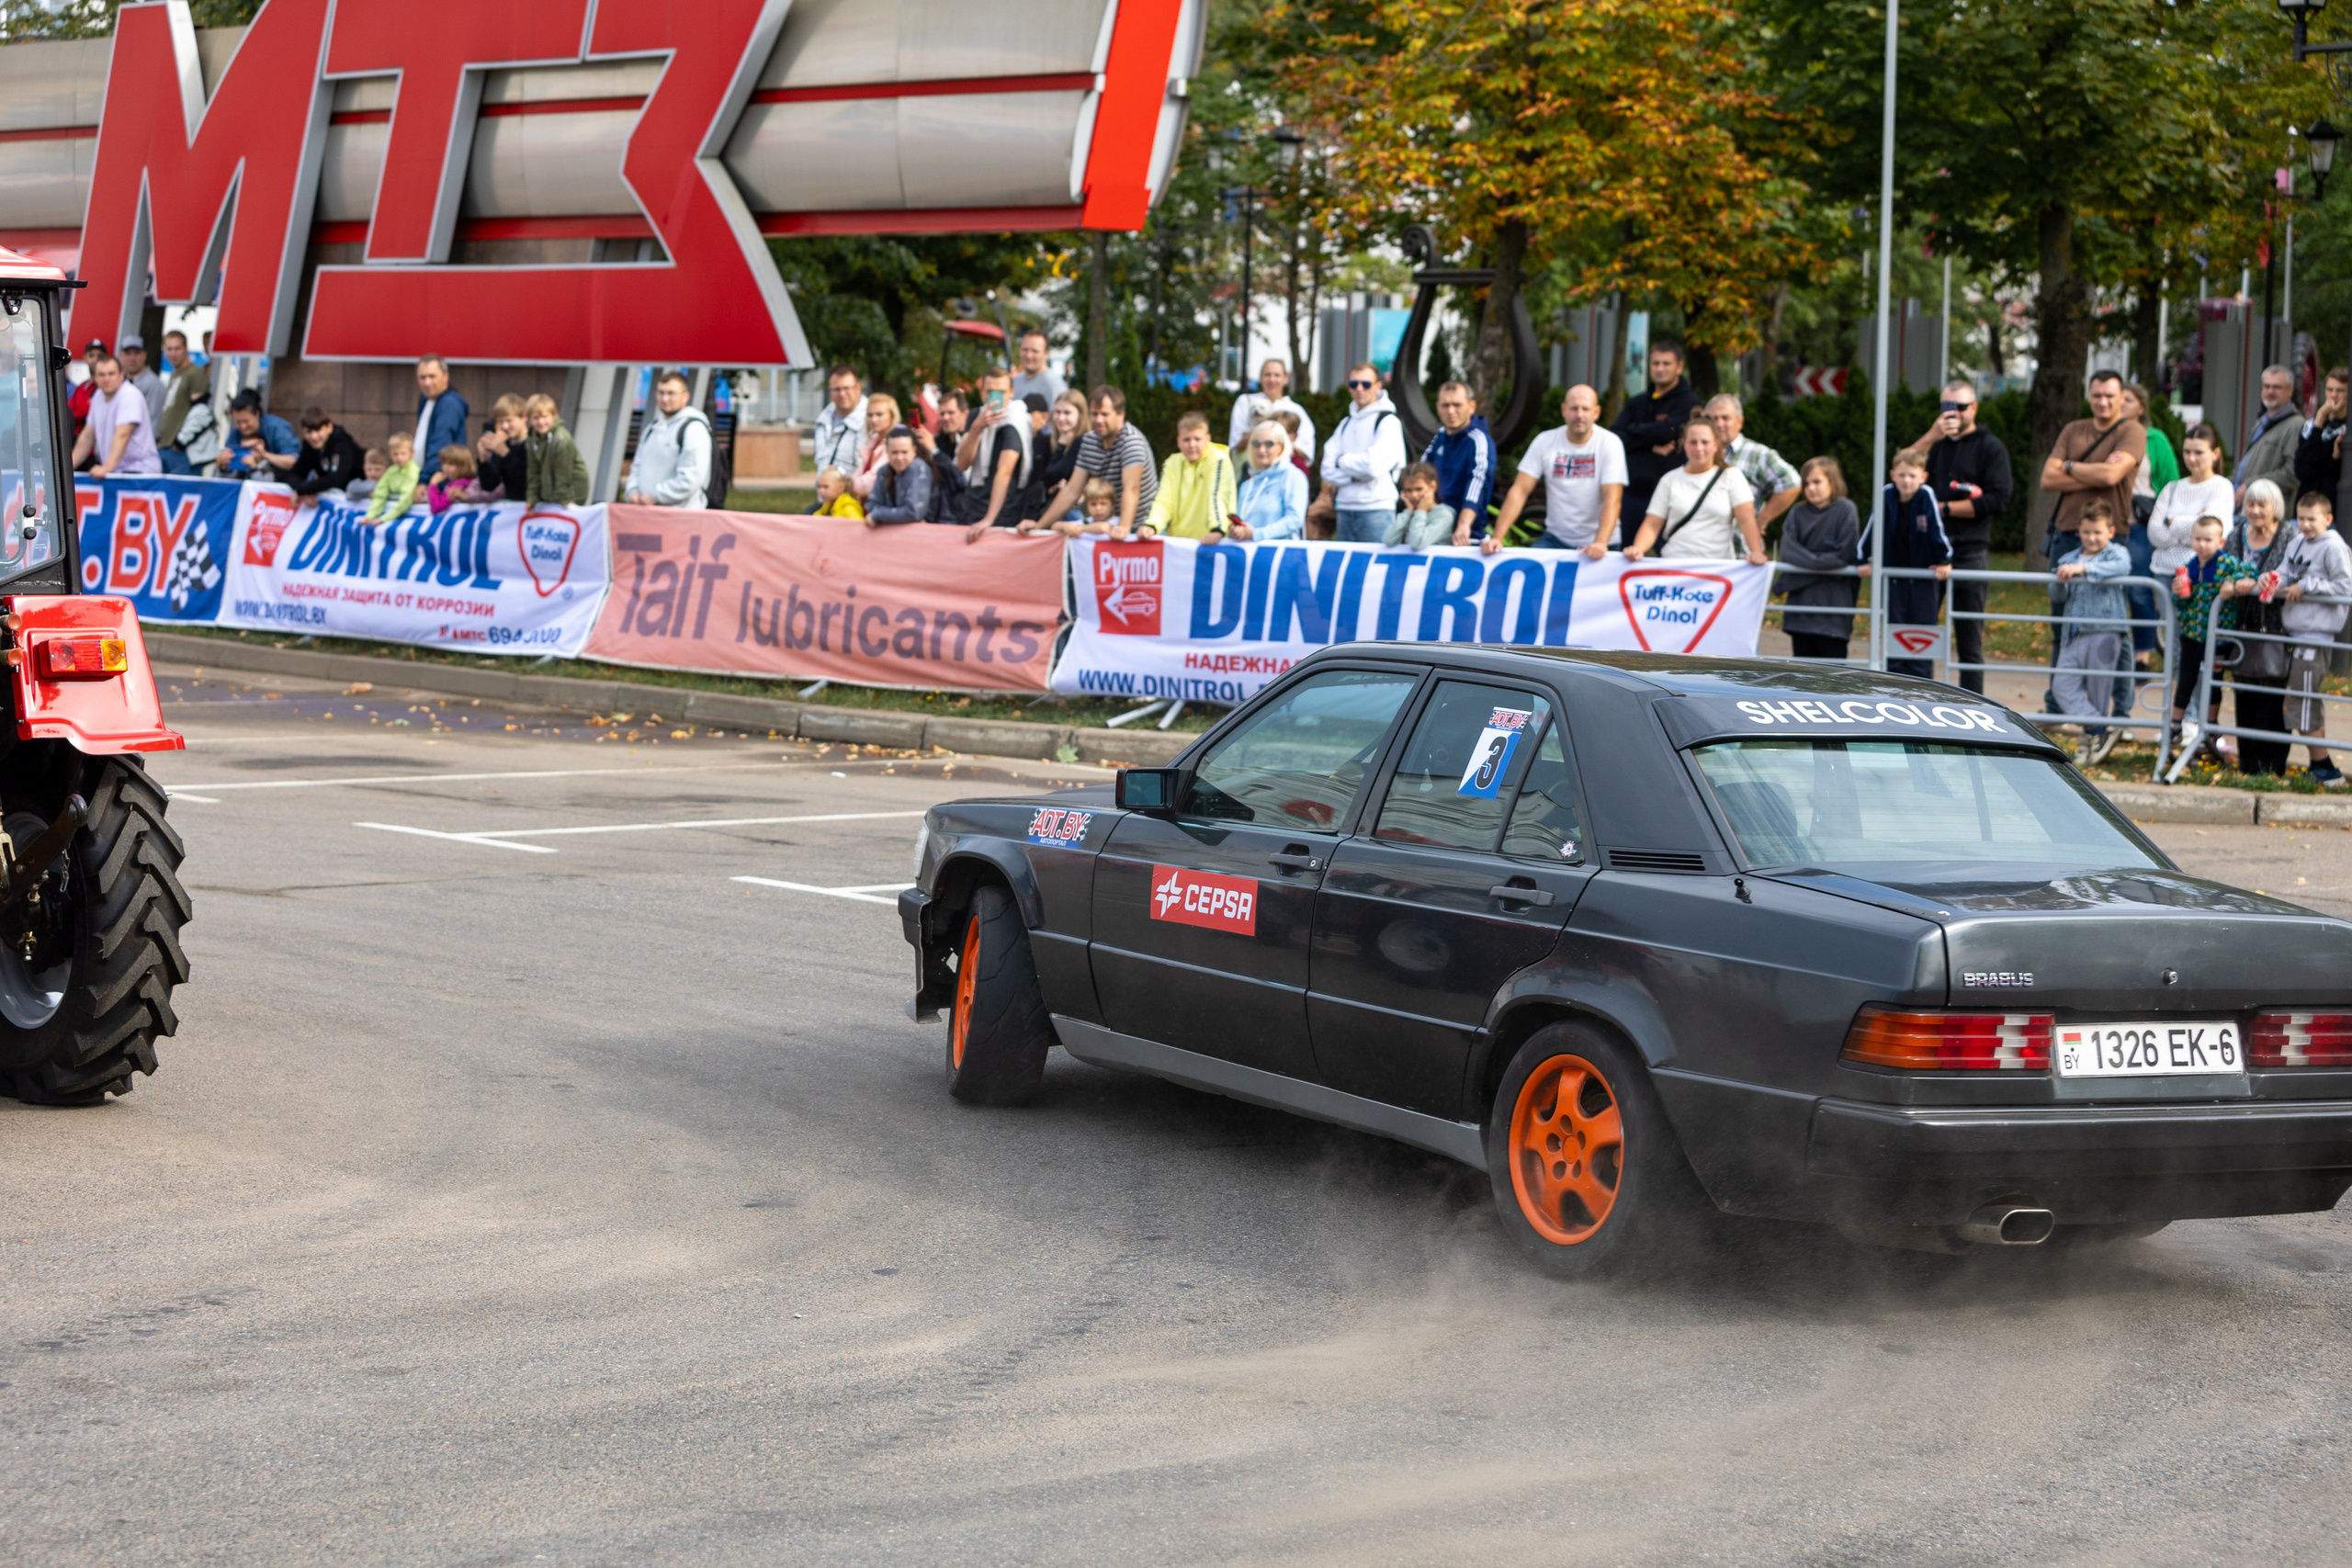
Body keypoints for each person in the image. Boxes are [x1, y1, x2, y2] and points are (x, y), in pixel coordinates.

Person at [1908, 377, 2015, 694]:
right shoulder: (1935, 443)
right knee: (1919, 633)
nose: (1952, 414)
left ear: (1975, 408)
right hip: (1929, 550)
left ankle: (1974, 707)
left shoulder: (1990, 447)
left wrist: (1945, 509)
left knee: (1969, 637)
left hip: (1969, 550)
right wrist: (1932, 435)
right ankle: (1916, 698)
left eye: (1960, 407)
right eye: (1946, 407)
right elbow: (1903, 468)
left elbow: (1998, 499)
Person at [1487, 384, 1625, 559]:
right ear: (1564, 410)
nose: (1579, 415)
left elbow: (1612, 499)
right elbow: (1519, 491)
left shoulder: (1610, 443)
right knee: (1529, 573)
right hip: (1556, 539)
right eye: (1574, 408)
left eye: (1586, 409)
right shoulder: (1545, 441)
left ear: (1596, 412)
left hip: (1603, 542)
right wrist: (1497, 537)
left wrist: (1600, 543)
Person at [2040, 369, 2145, 579]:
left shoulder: (2132, 431)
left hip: (2110, 535)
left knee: (2105, 607)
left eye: (2109, 396)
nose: (2103, 401)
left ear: (2121, 397)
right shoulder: (2072, 430)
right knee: (2061, 604)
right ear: (2088, 397)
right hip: (2067, 531)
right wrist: (2099, 474)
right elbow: (2048, 479)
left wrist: (2070, 466)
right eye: (2097, 395)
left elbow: (2110, 477)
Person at [2222, 480, 2296, 773]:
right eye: (2250, 504)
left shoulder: (2290, 535)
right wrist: (2227, 584)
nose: (2254, 510)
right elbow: (2223, 569)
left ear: (2275, 507)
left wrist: (2261, 582)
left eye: (2262, 504)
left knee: (2272, 697)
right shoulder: (2235, 536)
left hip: (2276, 627)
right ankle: (2248, 764)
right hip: (2241, 625)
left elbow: (2296, 572)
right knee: (2244, 693)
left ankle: (2273, 766)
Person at [1860, 449, 1953, 681]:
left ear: (1923, 477)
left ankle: (1922, 690)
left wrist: (1944, 560)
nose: (1906, 481)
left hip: (1923, 581)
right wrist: (1863, 558)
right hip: (1894, 580)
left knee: (1922, 635)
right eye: (1901, 475)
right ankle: (1895, 686)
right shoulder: (1886, 495)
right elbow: (1872, 528)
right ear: (1892, 475)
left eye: (1912, 475)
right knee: (1896, 633)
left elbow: (1936, 529)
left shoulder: (1927, 496)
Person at [2279, 490, 2352, 785]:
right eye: (2301, 518)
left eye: (2312, 519)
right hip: (2292, 631)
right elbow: (2286, 573)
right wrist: (2270, 580)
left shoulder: (2334, 547)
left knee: (2305, 701)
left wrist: (2307, 585)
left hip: (2316, 635)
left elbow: (2345, 588)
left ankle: (2326, 770)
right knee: (2296, 699)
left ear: (2328, 519)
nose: (2305, 525)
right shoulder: (2296, 541)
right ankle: (2318, 765)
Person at [1623, 417, 1765, 565]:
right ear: (1684, 444)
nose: (1699, 448)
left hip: (1718, 568)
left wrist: (1756, 553)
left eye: (1705, 442)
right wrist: (1638, 549)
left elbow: (1747, 520)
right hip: (1675, 564)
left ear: (1716, 445)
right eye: (1693, 442)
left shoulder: (1732, 476)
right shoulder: (1669, 479)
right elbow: (1652, 523)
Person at [2168, 515, 2251, 751]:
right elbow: (2182, 604)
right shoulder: (2190, 566)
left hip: (2218, 637)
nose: (2201, 545)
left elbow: (2251, 572)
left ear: (2221, 541)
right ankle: (2175, 724)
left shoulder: (2227, 564)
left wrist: (2232, 583)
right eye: (2197, 539)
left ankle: (2211, 728)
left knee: (2213, 682)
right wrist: (2178, 594)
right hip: (2192, 635)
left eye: (2207, 539)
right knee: (2186, 678)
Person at [2051, 501, 2132, 730]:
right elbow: (2056, 596)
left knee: (2099, 690)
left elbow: (2123, 566)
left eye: (2098, 532)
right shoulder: (2068, 557)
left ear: (2111, 532)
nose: (2091, 537)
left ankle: (2095, 738)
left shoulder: (2116, 553)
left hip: (2103, 630)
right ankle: (2097, 728)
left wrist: (2084, 569)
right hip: (2073, 633)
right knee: (2062, 685)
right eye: (2086, 532)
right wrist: (2059, 579)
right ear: (2078, 531)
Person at [1035, 386, 1154, 536]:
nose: (1098, 420)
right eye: (1094, 414)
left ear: (1120, 415)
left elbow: (1132, 488)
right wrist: (1039, 526)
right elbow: (1072, 490)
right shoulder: (1089, 441)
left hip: (1139, 527)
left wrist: (1124, 528)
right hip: (1106, 526)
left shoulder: (1131, 441)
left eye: (1104, 414)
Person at [1776, 457, 1861, 661]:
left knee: (1834, 680)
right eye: (1806, 483)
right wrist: (1822, 564)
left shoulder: (1846, 509)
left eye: (1817, 482)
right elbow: (1788, 550)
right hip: (1800, 613)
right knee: (1802, 678)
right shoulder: (1797, 512)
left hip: (1833, 613)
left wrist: (1803, 568)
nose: (1811, 488)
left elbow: (1843, 555)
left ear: (1832, 481)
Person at [1611, 338, 1702, 528]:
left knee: (1668, 554)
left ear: (1679, 367)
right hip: (1632, 494)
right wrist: (1651, 443)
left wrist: (1634, 432)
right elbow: (1615, 438)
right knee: (1626, 554)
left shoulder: (1689, 403)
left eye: (1666, 363)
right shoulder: (1637, 402)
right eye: (1655, 363)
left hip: (1671, 495)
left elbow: (1665, 431)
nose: (1660, 368)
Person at [1321, 363, 1408, 543]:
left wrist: (1341, 461)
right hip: (1344, 508)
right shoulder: (1345, 423)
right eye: (1354, 384)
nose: (1359, 389)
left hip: (1377, 509)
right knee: (1347, 571)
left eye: (1366, 384)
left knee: (1378, 569)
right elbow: (1326, 469)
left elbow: (1371, 467)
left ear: (1378, 386)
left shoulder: (1388, 421)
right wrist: (1354, 476)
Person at [951, 368, 1034, 539]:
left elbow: (1005, 471)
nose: (995, 397)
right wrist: (976, 428)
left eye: (1001, 392)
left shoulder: (1014, 420)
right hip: (973, 505)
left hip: (1003, 511)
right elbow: (962, 464)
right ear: (982, 393)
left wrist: (989, 518)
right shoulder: (976, 416)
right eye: (990, 392)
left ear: (1011, 392)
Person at [2148, 424, 2233, 584]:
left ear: (2215, 454)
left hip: (2201, 573)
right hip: (2164, 571)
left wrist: (2172, 521)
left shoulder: (2221, 486)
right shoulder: (2172, 488)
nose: (2191, 458)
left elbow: (2214, 532)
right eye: (2187, 452)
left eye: (2198, 452)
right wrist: (2192, 525)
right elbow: (2154, 533)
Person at [1704, 394, 1801, 531]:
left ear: (1740, 422)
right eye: (1714, 418)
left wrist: (1763, 518)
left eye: (1725, 418)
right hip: (1703, 544)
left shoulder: (1757, 454)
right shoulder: (1698, 453)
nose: (1719, 424)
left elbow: (1792, 482)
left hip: (1742, 545)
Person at [1143, 411, 1238, 539]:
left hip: (1212, 541)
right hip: (1179, 542)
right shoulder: (1172, 462)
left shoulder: (1219, 460)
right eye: (1186, 439)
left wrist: (1218, 529)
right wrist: (1152, 525)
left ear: (1207, 439)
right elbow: (1164, 500)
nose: (1192, 445)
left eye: (1197, 439)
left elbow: (1218, 496)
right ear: (1178, 441)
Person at [625, 371, 713, 508]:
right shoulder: (652, 428)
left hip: (681, 518)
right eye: (661, 392)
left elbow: (691, 478)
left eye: (671, 393)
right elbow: (637, 467)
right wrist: (633, 491)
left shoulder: (694, 429)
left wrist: (656, 496)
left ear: (685, 396)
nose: (665, 399)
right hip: (646, 514)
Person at [1424, 381, 1497, 543]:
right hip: (1435, 529)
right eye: (1445, 405)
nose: (1451, 411)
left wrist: (1464, 524)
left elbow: (1477, 484)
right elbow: (1422, 473)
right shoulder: (1440, 435)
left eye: (1457, 405)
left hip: (1465, 536)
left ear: (1471, 406)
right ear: (1437, 407)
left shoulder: (1479, 440)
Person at [71, 355, 160, 478]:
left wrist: (106, 468)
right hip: (117, 472)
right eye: (101, 374)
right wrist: (66, 469)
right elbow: (87, 437)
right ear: (95, 377)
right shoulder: (98, 396)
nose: (106, 379)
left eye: (111, 374)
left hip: (140, 471)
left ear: (121, 374)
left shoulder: (129, 395)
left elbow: (123, 435)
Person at [1227, 358, 1317, 464]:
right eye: (1267, 375)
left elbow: (1305, 450)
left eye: (1277, 375)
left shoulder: (1296, 410)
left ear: (1286, 378)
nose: (1272, 380)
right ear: (1260, 378)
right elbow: (1236, 443)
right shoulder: (1245, 402)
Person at [2235, 364, 2301, 506]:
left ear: (2290, 390)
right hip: (2246, 505)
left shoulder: (2296, 425)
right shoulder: (2260, 423)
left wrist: (2250, 484)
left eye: (2277, 387)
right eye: (2266, 386)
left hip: (2269, 511)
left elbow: (2292, 474)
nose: (2270, 391)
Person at [1017, 389, 1087, 523]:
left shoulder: (1082, 441)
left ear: (1080, 415)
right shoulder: (1046, 441)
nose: (1061, 418)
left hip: (1074, 513)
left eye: (1067, 413)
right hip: (1047, 510)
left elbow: (1053, 474)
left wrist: (1060, 447)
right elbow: (1043, 478)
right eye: (1057, 412)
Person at [1231, 421, 1307, 541]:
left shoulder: (1292, 475)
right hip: (1247, 555)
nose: (1261, 450)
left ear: (1281, 447)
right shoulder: (1247, 483)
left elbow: (1295, 520)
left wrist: (1256, 534)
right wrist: (1236, 530)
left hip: (1281, 555)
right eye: (1256, 443)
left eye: (1269, 444)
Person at [153, 331, 210, 475]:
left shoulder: (194, 372)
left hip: (182, 451)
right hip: (166, 446)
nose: (173, 353)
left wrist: (180, 442)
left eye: (177, 348)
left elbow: (201, 411)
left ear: (186, 348)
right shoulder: (174, 373)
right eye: (169, 349)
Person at [522, 393, 590, 506]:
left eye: (545, 416)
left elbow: (563, 474)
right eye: (536, 418)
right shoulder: (532, 440)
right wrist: (532, 498)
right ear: (529, 419)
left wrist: (566, 501)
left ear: (554, 415)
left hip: (572, 494)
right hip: (552, 495)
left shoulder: (560, 439)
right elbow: (533, 472)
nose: (541, 422)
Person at [2296, 367, 2350, 504]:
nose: (2333, 395)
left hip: (2336, 505)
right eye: (2330, 389)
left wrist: (2331, 459)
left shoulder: (2348, 429)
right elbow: (2302, 469)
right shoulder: (2311, 425)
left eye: (2340, 390)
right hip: (2307, 502)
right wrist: (2320, 417)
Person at [216, 390, 297, 481]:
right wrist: (222, 464)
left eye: (246, 421)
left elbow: (293, 461)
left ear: (257, 414)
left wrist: (264, 455)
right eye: (238, 422)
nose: (243, 426)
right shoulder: (236, 431)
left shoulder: (277, 428)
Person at [412, 355, 469, 480]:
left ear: (445, 376)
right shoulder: (426, 399)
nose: (427, 382)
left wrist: (425, 479)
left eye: (432, 376)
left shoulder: (449, 403)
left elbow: (440, 445)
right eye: (422, 377)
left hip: (441, 483)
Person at [863, 427, 934, 525]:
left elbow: (912, 513)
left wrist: (879, 514)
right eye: (894, 452)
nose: (899, 457)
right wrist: (894, 515)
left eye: (904, 452)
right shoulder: (883, 471)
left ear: (914, 450)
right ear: (887, 451)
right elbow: (871, 505)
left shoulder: (918, 468)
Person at [287, 409, 364, 498]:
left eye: (318, 430)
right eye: (309, 432)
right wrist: (303, 490)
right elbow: (295, 473)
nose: (314, 436)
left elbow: (335, 479)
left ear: (329, 427)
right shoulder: (308, 446)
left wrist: (305, 490)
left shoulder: (342, 443)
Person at [811, 365, 866, 476]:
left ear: (858, 388)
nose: (842, 394)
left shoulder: (871, 420)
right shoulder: (822, 421)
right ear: (830, 391)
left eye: (847, 388)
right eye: (837, 389)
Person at [1384, 462, 1454, 549]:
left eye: (1419, 489)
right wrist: (1408, 512)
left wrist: (1421, 511)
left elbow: (1417, 543)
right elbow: (1388, 540)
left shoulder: (1444, 515)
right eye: (1408, 490)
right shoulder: (1409, 513)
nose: (1414, 495)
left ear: (1433, 486)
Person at [474, 394, 529, 502]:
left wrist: (506, 454)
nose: (504, 426)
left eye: (509, 421)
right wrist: (483, 460)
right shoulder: (504, 445)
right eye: (500, 421)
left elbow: (527, 482)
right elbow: (489, 486)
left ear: (524, 417)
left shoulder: (534, 444)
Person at [849, 394, 899, 501]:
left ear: (892, 416)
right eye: (870, 415)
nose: (874, 419)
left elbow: (869, 483)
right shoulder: (873, 440)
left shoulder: (895, 443)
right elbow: (859, 475)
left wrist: (847, 486)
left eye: (879, 414)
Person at [362, 432, 420, 525]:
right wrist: (370, 516)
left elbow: (406, 500)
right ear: (390, 454)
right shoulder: (391, 471)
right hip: (392, 516)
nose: (399, 457)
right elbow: (380, 494)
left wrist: (384, 519)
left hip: (405, 518)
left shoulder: (413, 471)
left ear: (411, 453)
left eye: (403, 453)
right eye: (395, 454)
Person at [1011, 330, 1065, 408]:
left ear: (1046, 353)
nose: (1029, 355)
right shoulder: (1015, 381)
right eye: (1025, 350)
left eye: (1035, 351)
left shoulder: (1053, 384)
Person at [118, 336, 164, 424]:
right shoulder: (117, 380)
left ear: (144, 355)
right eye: (128, 353)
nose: (132, 358)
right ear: (121, 356)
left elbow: (154, 421)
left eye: (136, 353)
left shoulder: (153, 383)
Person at [424, 445, 479, 513]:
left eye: (451, 463)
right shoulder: (459, 482)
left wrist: (433, 484)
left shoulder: (460, 484)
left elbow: (436, 507)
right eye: (444, 463)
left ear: (463, 465)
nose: (446, 467)